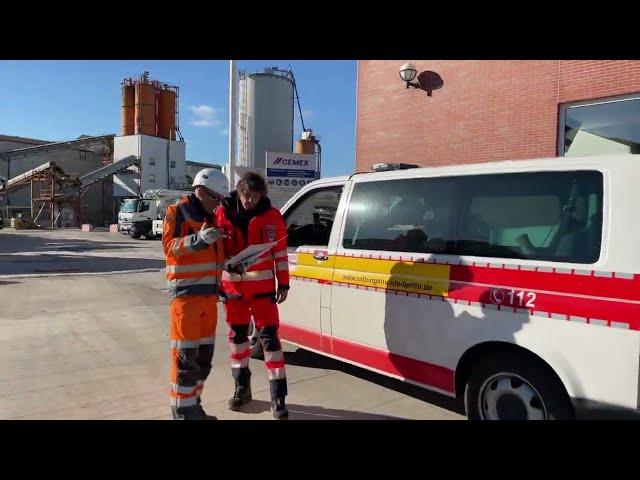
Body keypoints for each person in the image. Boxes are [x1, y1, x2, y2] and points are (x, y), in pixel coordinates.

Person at [216, 171, 290, 419]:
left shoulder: (273, 216)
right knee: (238, 341)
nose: (249, 201)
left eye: (255, 196)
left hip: (263, 292)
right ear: (239, 192)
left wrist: (284, 284)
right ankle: (241, 389)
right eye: (246, 196)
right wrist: (218, 280)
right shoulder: (222, 213)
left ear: (262, 195)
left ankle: (278, 398)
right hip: (233, 290)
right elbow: (216, 252)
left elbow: (280, 254)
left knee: (270, 342)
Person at [162, 168, 229, 420]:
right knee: (185, 359)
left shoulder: (212, 217)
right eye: (216, 198)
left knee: (203, 360)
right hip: (186, 298)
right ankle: (182, 411)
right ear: (201, 192)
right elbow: (170, 247)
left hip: (209, 298)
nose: (218, 204)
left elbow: (216, 256)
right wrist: (198, 240)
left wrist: (230, 267)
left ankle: (194, 405)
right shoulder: (176, 212)